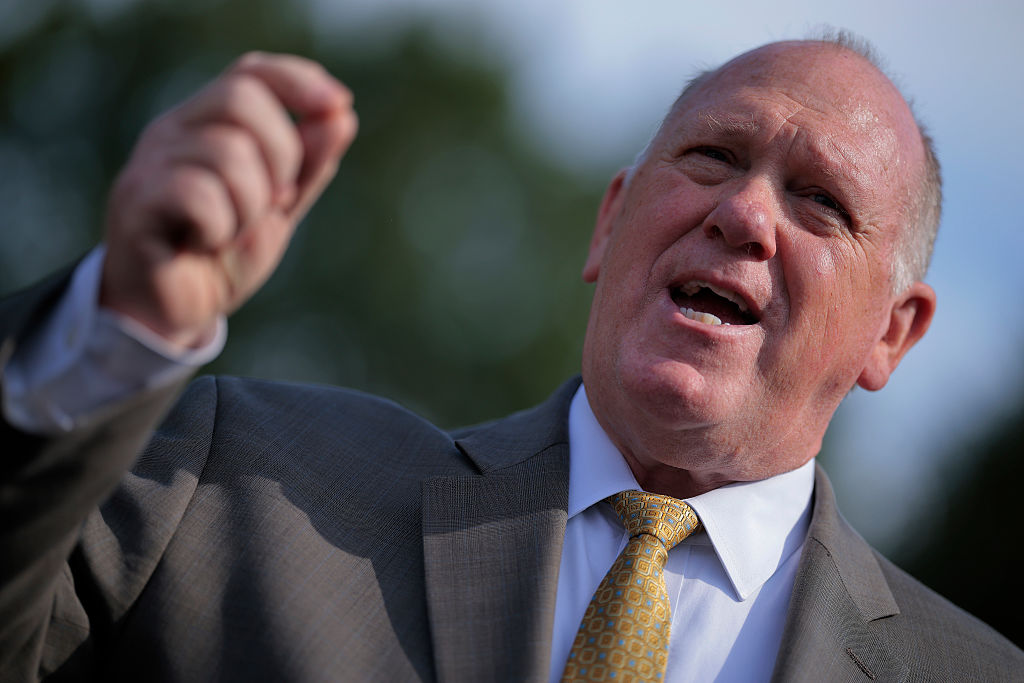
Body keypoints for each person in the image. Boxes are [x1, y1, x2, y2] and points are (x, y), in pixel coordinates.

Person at [1, 36, 1021, 682]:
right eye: (713, 155)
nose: (744, 212)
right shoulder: (234, 480)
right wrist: (116, 324)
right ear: (609, 222)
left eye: (820, 200)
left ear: (893, 332)